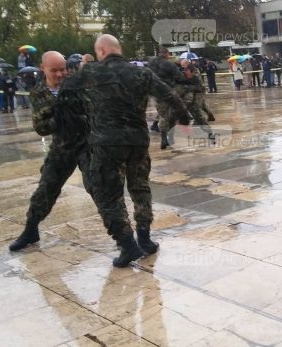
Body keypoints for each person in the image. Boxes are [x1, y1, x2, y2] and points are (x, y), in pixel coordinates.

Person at [63, 34, 190, 268]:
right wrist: (184, 119)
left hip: (106, 144)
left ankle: (127, 243)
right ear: (118, 50)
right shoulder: (141, 73)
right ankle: (144, 237)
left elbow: (64, 96)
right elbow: (171, 96)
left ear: (100, 52)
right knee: (140, 188)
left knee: (108, 194)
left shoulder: (90, 73)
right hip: (138, 142)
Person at [9, 51, 93, 251]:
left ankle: (125, 238)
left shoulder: (76, 85)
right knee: (46, 189)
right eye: (53, 70)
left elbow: (93, 111)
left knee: (101, 188)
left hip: (87, 144)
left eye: (62, 69)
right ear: (43, 69)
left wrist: (79, 115)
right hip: (62, 147)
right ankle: (30, 230)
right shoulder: (38, 92)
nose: (59, 74)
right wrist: (62, 114)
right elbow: (41, 127)